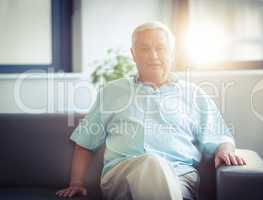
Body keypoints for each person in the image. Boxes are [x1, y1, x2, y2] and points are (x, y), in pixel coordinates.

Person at [56, 21, 246, 200]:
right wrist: (77, 182)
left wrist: (225, 150)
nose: (153, 55)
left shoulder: (195, 95)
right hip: (122, 177)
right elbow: (85, 142)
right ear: (133, 54)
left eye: (160, 48)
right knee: (151, 163)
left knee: (160, 175)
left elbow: (220, 137)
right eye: (144, 48)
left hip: (180, 178)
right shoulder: (111, 92)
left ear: (171, 53)